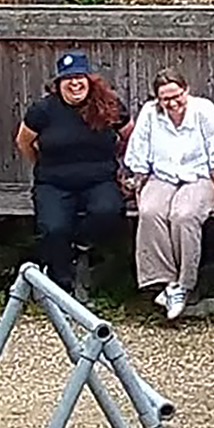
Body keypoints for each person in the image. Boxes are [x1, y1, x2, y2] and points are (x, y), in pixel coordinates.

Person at [16, 52, 130, 295]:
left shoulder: (109, 105)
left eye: (80, 77)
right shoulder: (43, 110)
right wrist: (42, 165)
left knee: (108, 211)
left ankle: (80, 247)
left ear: (89, 80)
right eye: (68, 78)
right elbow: (24, 141)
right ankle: (61, 287)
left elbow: (130, 135)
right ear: (58, 84)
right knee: (53, 228)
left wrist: (116, 158)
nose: (75, 83)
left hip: (99, 180)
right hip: (53, 183)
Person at [124, 69, 214, 321]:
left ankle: (185, 284)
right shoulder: (150, 113)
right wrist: (140, 189)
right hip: (162, 175)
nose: (172, 103)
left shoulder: (203, 111)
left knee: (183, 215)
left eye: (177, 96)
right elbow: (139, 156)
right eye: (165, 99)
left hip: (200, 176)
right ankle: (164, 282)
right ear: (157, 99)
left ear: (186, 90)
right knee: (150, 211)